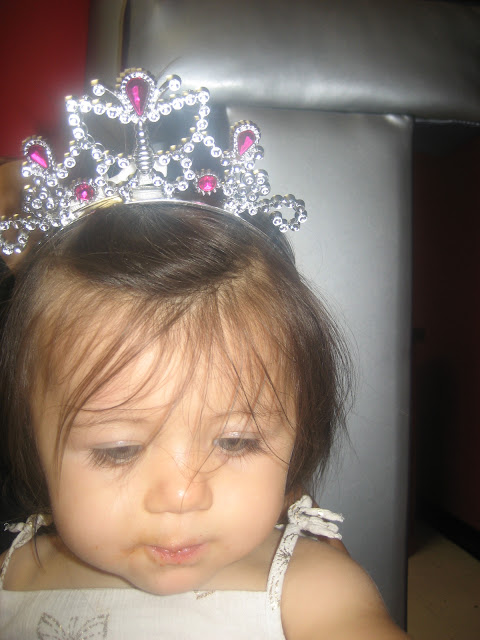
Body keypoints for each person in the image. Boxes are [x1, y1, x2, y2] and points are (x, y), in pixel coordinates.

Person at [0, 69, 408, 639]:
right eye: (119, 450)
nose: (183, 495)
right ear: (30, 435)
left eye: (236, 441)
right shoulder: (13, 579)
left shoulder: (314, 592)